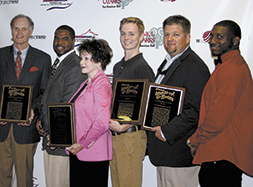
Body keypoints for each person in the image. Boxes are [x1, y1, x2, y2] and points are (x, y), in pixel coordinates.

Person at [0, 14, 51, 187]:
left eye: (23, 29)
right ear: (11, 31)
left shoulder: (43, 59)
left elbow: (44, 93)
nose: (19, 32)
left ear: (31, 32)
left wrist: (33, 110)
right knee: (0, 178)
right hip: (1, 126)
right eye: (16, 28)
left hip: (26, 128)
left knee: (24, 179)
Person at [146, 15, 210, 187]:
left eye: (176, 35)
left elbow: (196, 111)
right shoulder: (170, 62)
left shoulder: (195, 67)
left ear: (188, 37)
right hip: (165, 153)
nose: (169, 39)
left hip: (178, 154)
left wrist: (166, 131)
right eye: (167, 35)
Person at [188, 20, 253, 187]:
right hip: (220, 154)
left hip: (221, 155)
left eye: (220, 37)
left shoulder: (232, 69)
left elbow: (217, 118)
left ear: (235, 41)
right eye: (212, 36)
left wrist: (195, 139)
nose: (213, 41)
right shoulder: (227, 66)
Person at [36, 25, 86, 187]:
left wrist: (48, 127)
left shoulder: (75, 65)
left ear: (73, 41)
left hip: (60, 140)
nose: (59, 42)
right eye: (56, 38)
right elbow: (48, 98)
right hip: (50, 137)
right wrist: (41, 121)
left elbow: (66, 105)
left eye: (65, 39)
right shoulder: (58, 64)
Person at [108, 17, 155, 187]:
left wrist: (125, 126)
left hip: (130, 137)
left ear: (142, 37)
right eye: (123, 33)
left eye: (132, 34)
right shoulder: (118, 66)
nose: (127, 38)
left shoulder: (143, 68)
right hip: (114, 137)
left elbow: (148, 106)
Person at [66, 39, 113, 187]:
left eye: (87, 58)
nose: (82, 62)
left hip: (93, 153)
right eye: (81, 58)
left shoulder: (102, 84)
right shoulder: (85, 83)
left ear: (99, 62)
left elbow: (101, 123)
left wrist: (82, 143)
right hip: (77, 150)